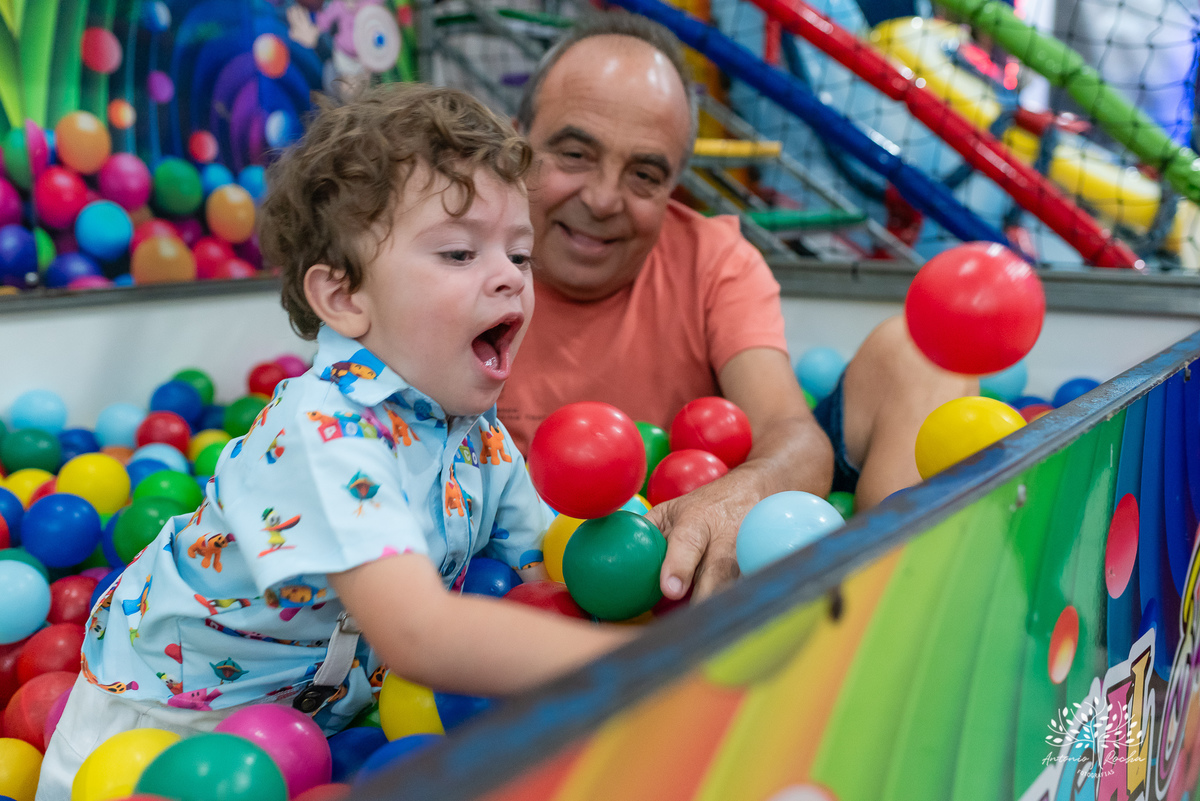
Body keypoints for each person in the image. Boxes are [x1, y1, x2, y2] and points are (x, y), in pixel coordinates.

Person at [37, 84, 630, 800]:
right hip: (162, 735)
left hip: (322, 730)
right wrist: (640, 663)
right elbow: (420, 634)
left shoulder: (475, 437)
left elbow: (555, 567)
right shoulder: (322, 430)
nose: (508, 277)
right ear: (345, 298)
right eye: (459, 252)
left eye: (519, 254)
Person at [497, 13, 976, 602]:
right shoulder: (457, 265)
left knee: (922, 352)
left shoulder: (711, 257)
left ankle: (890, 614)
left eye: (645, 174)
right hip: (521, 571)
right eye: (573, 154)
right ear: (517, 141)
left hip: (676, 572)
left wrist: (735, 497)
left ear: (675, 185)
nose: (601, 199)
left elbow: (792, 433)